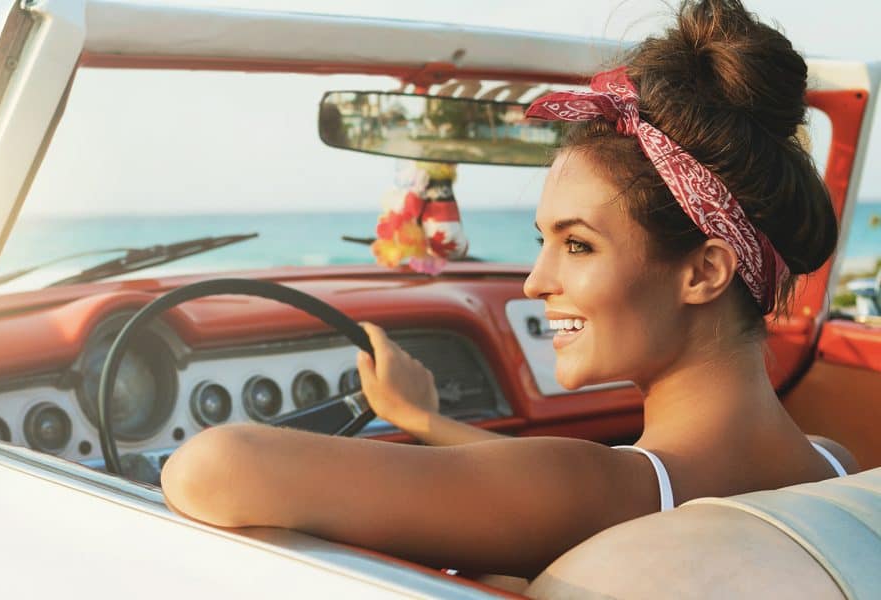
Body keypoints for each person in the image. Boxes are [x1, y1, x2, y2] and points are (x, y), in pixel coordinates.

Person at [160, 0, 857, 580]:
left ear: (704, 272)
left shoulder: (598, 489)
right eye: (541, 241)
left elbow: (213, 467)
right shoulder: (835, 467)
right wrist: (425, 423)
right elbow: (529, 488)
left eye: (578, 244)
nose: (535, 281)